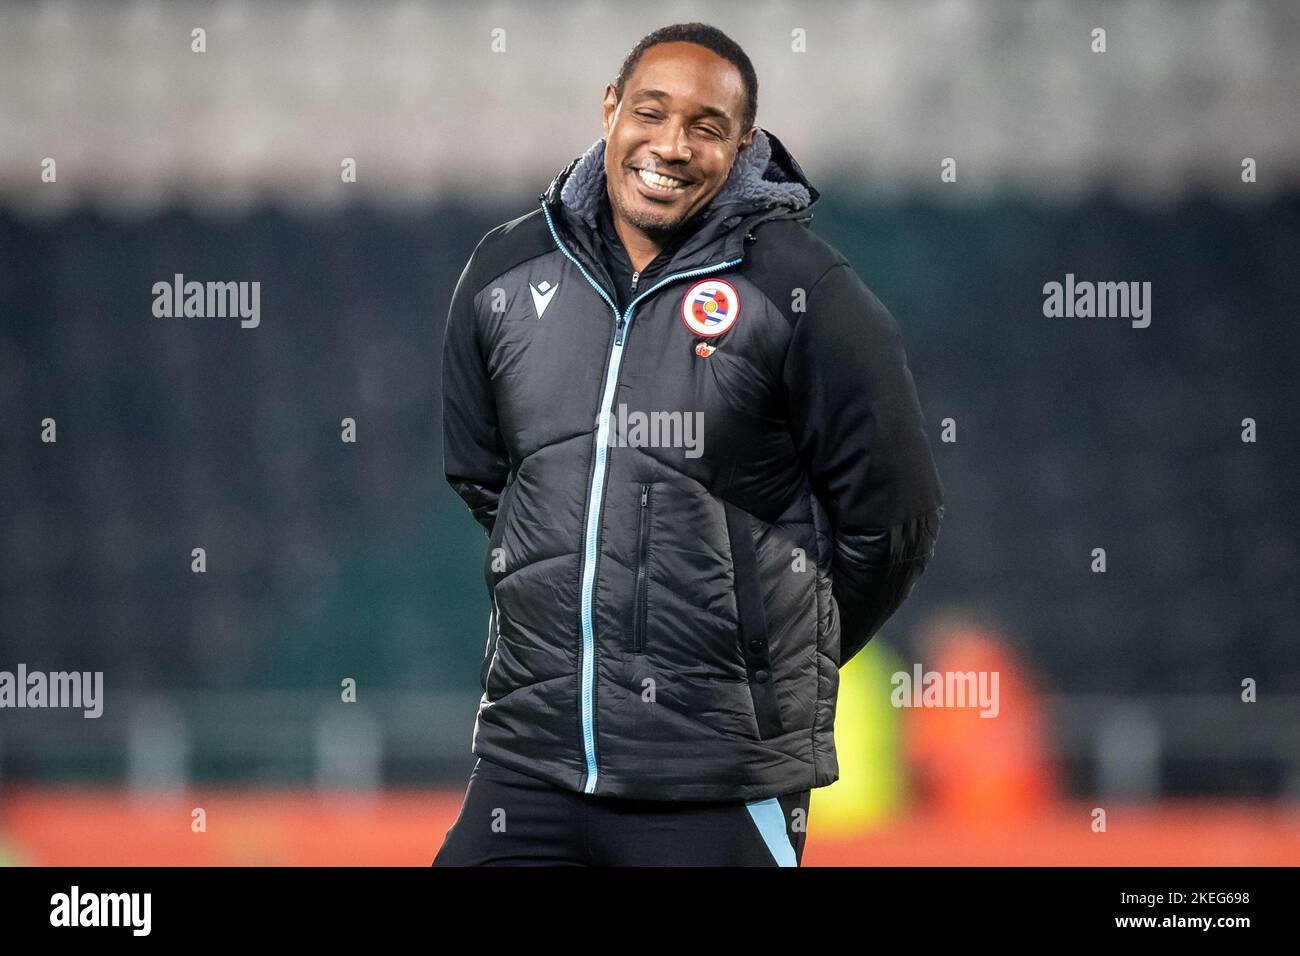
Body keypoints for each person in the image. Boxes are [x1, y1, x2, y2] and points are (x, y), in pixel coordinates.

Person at [435, 22, 943, 866]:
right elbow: (488, 478)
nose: (670, 145)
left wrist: (760, 651)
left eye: (706, 127)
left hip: (718, 778)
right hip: (530, 765)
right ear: (610, 110)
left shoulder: (807, 293)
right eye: (651, 112)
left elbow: (893, 522)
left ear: (744, 146)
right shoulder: (506, 270)